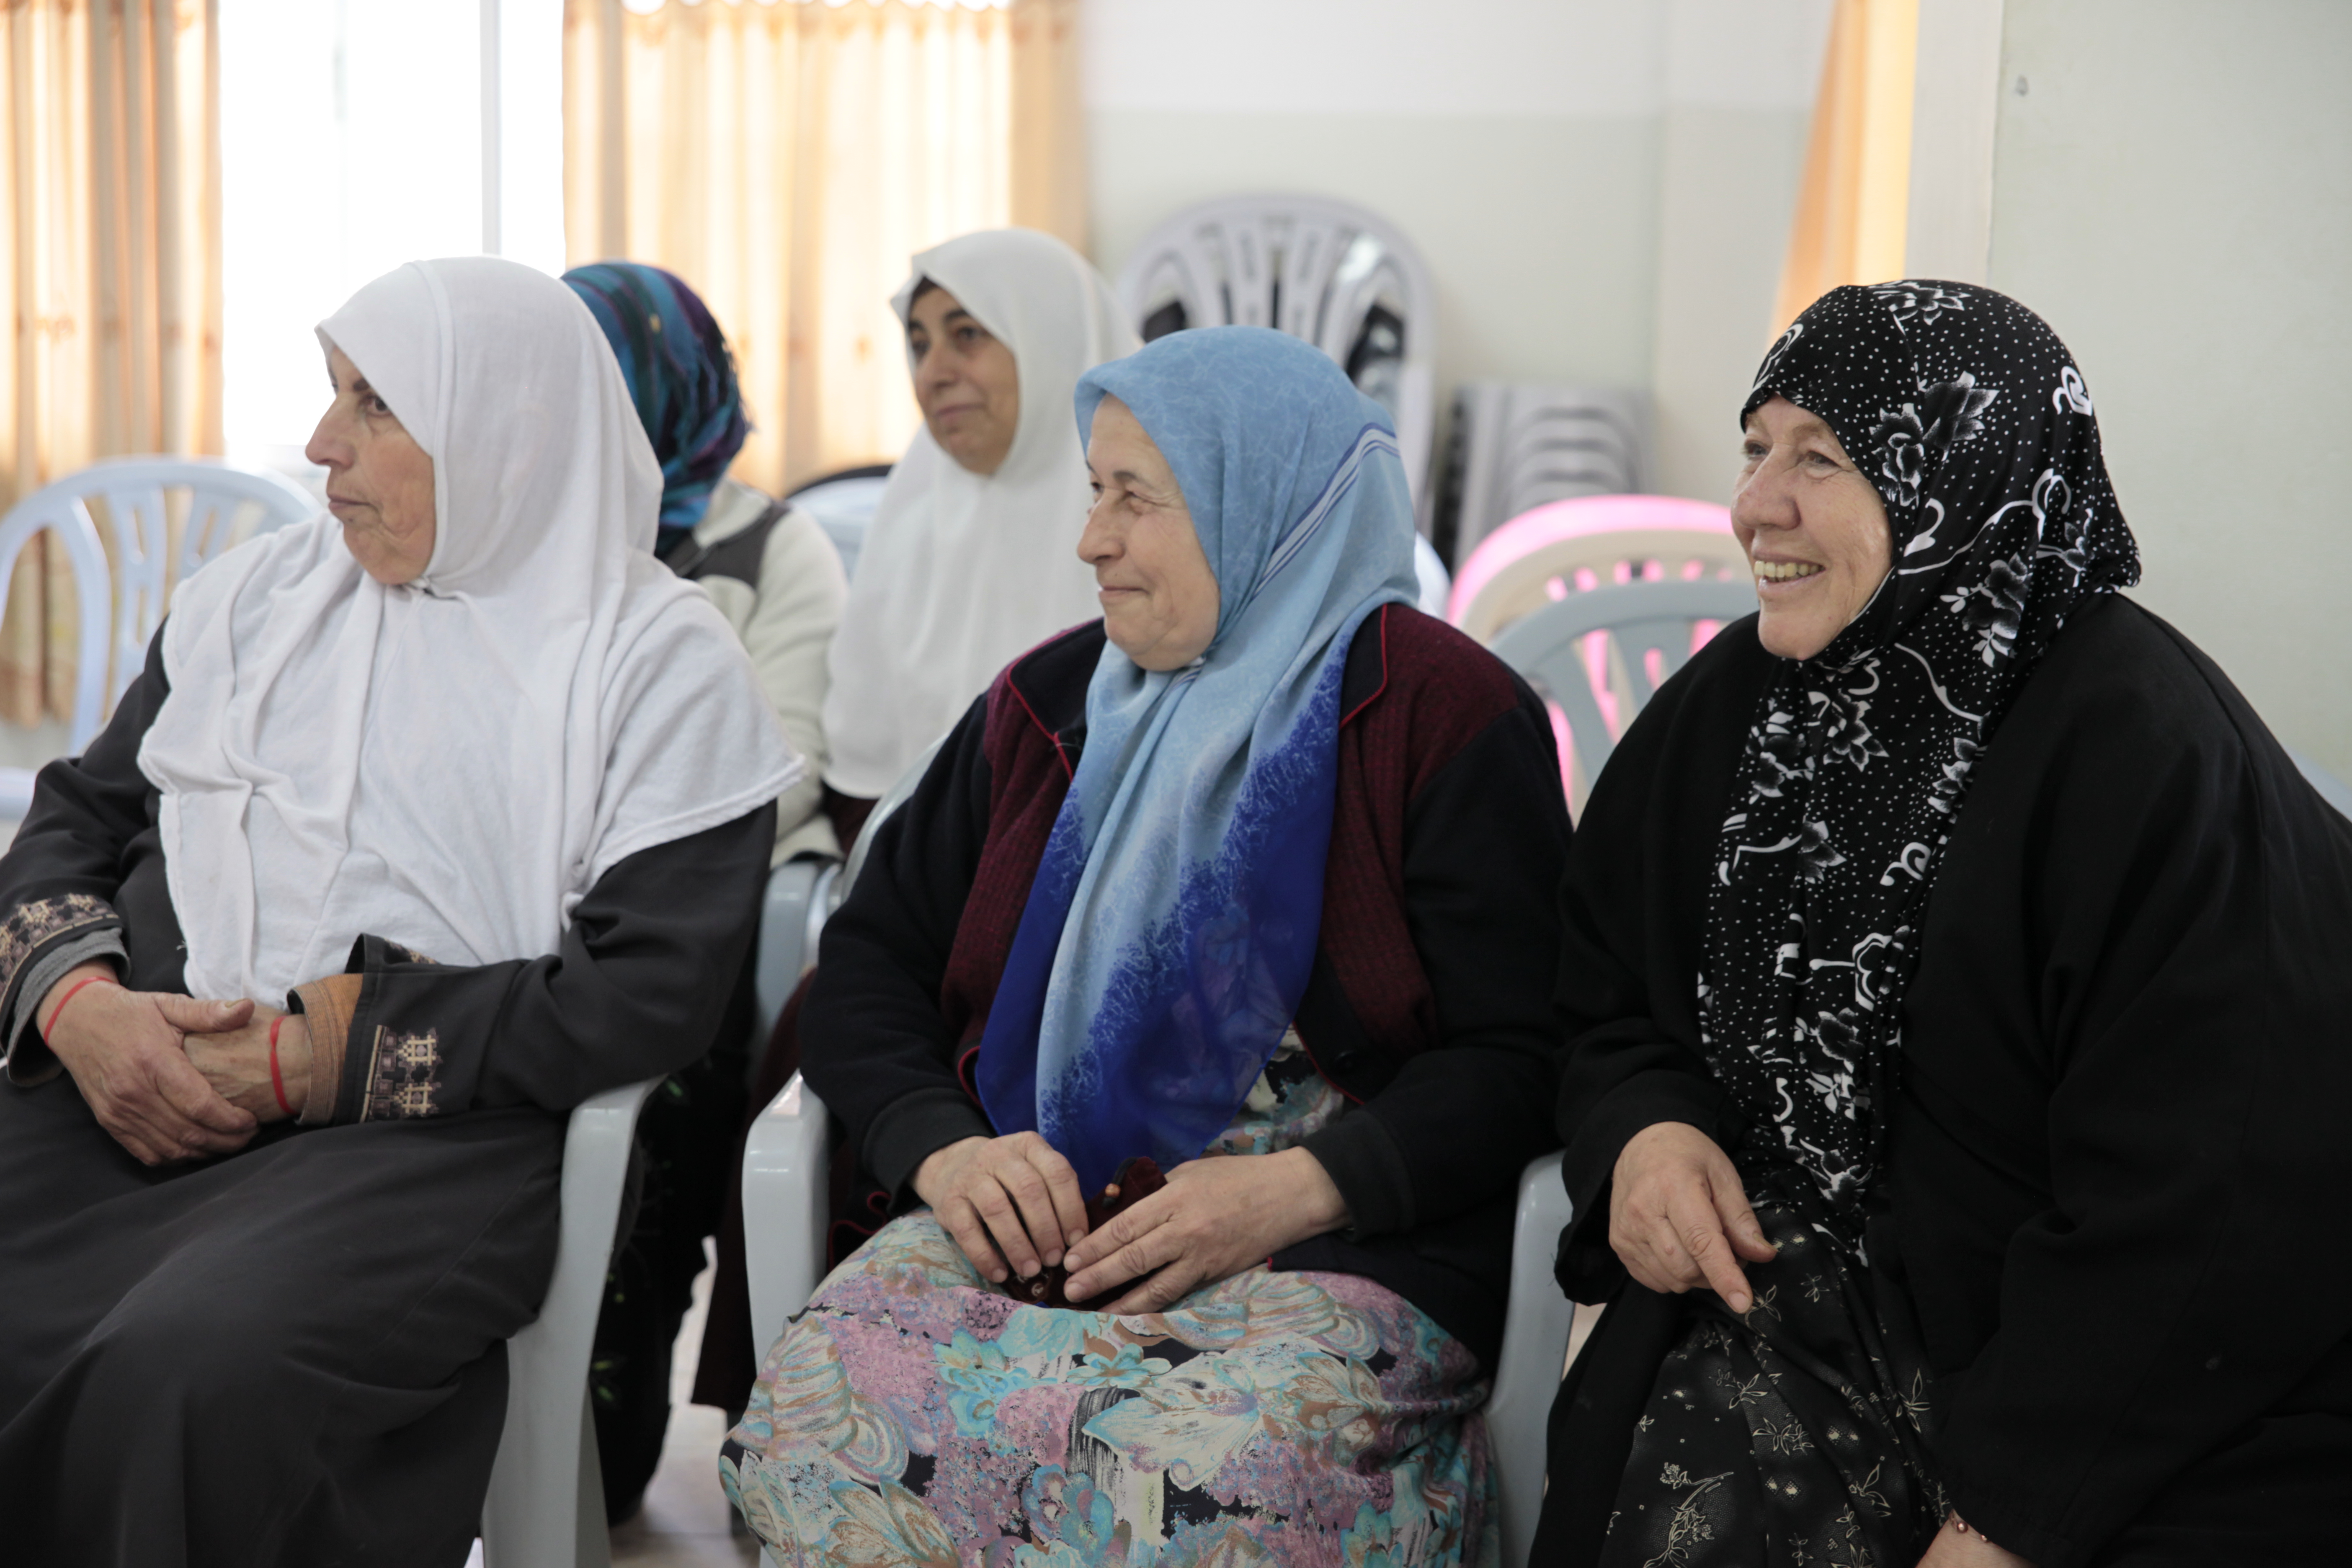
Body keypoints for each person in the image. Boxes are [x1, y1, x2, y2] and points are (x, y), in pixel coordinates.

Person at [1533, 282, 2352, 1567]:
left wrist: (2003, 1522)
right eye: (1757, 450)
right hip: (1820, 1309)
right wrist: (1647, 1129)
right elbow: (1603, 993)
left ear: (1964, 479)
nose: (1755, 507)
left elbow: (2215, 1205)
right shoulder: (1738, 711)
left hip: (2143, 1384)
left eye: (1826, 457)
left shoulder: (2147, 760)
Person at [720, 327, 1571, 1563]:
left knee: (1194, 1478)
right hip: (1044, 1224)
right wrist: (947, 1153)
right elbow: (867, 963)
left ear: (1258, 503)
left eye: (1136, 498)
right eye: (1092, 492)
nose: (1092, 540)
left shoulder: (1440, 714)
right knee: (812, 1420)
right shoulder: (1046, 706)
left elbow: (1531, 1052)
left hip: (1334, 1248)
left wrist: (1299, 1189)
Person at [0, 257, 797, 1564]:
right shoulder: (254, 604)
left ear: (509, 429)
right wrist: (79, 1006)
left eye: (377, 406)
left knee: (186, 1369)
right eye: (332, 399)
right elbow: (76, 818)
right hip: (126, 1079)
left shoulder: (656, 665)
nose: (321, 448)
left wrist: (303, 1057)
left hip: (425, 1140)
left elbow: (648, 994)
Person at [563, 259, 849, 1518]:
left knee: (604, 1481)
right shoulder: (521, 529)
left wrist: (629, 842)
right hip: (523, 898)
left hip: (684, 900)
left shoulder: (773, 549)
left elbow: (788, 763)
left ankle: (625, 1313)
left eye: (605, 378)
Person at [818, 226, 1140, 844]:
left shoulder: (1163, 531)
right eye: (918, 344)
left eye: (967, 334)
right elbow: (864, 788)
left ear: (1052, 339)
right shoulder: (908, 528)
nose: (932, 372)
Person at [564, 260, 846, 865]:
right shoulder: (517, 542)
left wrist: (593, 852)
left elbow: (785, 777)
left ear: (673, 384)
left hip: (695, 890)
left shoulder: (772, 547)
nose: (574, 410)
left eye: (606, 376)